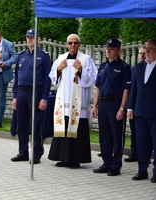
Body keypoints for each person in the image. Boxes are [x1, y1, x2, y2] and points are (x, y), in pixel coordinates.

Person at [48, 34, 97, 168]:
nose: (73, 45)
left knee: (78, 130)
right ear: (66, 44)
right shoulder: (61, 59)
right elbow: (52, 77)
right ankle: (62, 158)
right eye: (70, 43)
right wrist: (59, 69)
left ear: (79, 44)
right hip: (63, 104)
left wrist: (80, 69)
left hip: (78, 104)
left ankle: (75, 159)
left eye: (75, 43)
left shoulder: (85, 59)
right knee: (63, 129)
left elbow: (93, 78)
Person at [10, 29, 51, 164]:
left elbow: (47, 79)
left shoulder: (44, 56)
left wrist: (44, 98)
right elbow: (16, 77)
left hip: (36, 92)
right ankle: (23, 152)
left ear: (38, 39)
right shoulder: (21, 56)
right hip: (21, 92)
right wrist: (15, 96)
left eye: (32, 37)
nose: (29, 40)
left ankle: (37, 153)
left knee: (35, 124)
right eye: (28, 37)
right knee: (21, 124)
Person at [91, 38, 131, 176]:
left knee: (116, 135)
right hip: (103, 103)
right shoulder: (102, 67)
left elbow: (126, 89)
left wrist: (122, 108)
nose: (108, 51)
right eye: (107, 48)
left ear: (119, 51)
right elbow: (98, 88)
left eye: (111, 49)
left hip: (115, 103)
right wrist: (94, 106)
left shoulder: (124, 67)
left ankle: (116, 165)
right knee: (104, 135)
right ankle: (106, 163)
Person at [127, 39, 156, 183]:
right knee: (141, 143)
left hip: (155, 113)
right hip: (139, 112)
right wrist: (130, 107)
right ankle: (142, 170)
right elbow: (134, 90)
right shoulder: (139, 67)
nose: (146, 51)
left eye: (150, 48)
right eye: (146, 48)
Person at [124, 46, 146, 162]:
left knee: (145, 134)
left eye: (144, 53)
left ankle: (145, 156)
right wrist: (129, 107)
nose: (142, 55)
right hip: (134, 105)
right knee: (134, 131)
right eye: (140, 53)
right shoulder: (133, 70)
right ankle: (134, 153)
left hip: (146, 106)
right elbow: (129, 89)